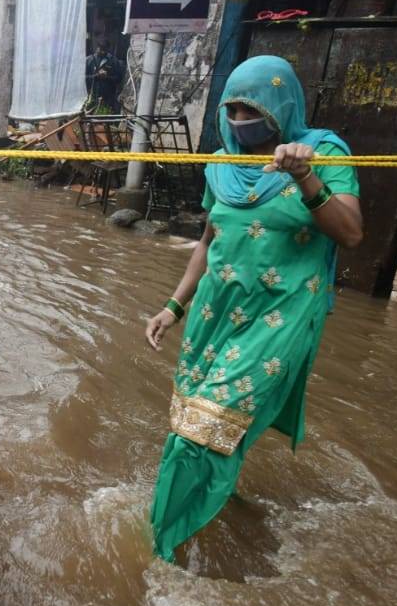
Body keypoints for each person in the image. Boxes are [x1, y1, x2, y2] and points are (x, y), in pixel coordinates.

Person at [143, 55, 363, 563]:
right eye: (234, 109)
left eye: (253, 109)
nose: (242, 120)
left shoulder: (324, 152)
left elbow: (350, 233)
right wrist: (173, 307)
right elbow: (208, 241)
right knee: (190, 425)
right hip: (214, 317)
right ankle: (199, 509)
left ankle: (159, 550)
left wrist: (306, 177)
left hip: (279, 317)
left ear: (281, 106)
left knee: (203, 432)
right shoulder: (223, 164)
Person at [85, 42, 124, 113]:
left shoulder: (113, 61)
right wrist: (95, 76)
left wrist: (107, 77)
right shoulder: (88, 60)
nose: (102, 52)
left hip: (108, 99)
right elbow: (82, 78)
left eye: (104, 50)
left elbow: (119, 78)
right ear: (96, 48)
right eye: (100, 49)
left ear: (108, 49)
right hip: (90, 98)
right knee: (89, 118)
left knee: (104, 118)